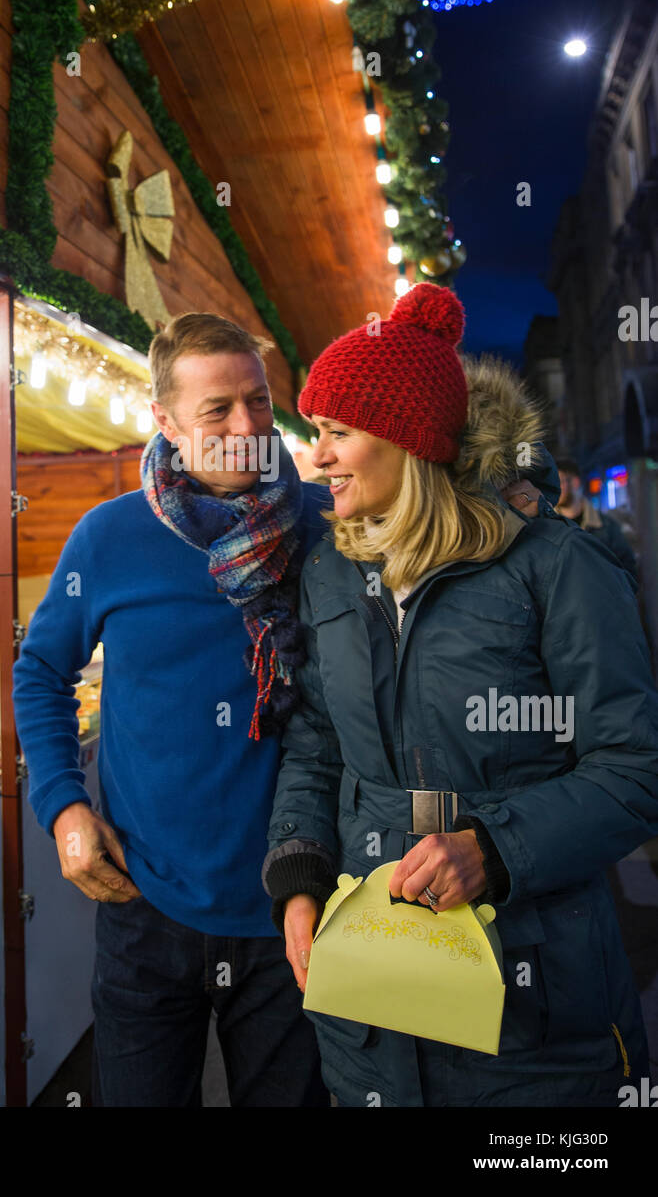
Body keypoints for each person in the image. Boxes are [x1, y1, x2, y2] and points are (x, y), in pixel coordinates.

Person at [263, 283, 658, 1108]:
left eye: (337, 434)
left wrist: (495, 847)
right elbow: (315, 745)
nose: (318, 458)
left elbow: (634, 768)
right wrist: (299, 873)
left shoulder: (556, 570)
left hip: (534, 1020)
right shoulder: (331, 572)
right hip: (372, 1013)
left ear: (405, 440)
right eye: (314, 435)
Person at [12, 312, 332, 1108]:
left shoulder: (327, 523)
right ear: (163, 420)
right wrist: (62, 809)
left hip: (294, 900)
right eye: (216, 409)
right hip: (144, 904)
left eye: (257, 401)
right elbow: (40, 669)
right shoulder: (109, 537)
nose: (248, 425)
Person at [555, 456, 638, 581]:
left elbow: (628, 569)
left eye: (559, 481)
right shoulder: (550, 527)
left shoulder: (606, 526)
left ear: (575, 482)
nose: (555, 488)